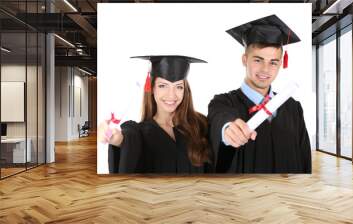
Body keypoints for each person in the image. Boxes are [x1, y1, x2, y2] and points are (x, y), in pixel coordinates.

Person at [208, 14, 311, 173]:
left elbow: (304, 158)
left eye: (273, 62)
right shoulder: (223, 102)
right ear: (244, 59)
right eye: (258, 60)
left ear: (281, 63)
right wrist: (228, 130)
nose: (265, 69)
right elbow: (220, 119)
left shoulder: (293, 107)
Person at [99, 55, 213, 173]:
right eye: (163, 86)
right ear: (152, 88)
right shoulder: (141, 133)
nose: (171, 95)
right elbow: (129, 138)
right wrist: (117, 139)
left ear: (185, 90)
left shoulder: (201, 125)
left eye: (179, 87)